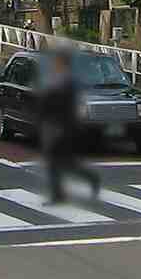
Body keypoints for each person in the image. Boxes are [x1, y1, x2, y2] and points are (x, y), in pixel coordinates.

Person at [37, 49, 101, 205]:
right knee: (58, 162)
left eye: (57, 62)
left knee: (61, 162)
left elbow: (65, 106)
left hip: (63, 128)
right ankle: (60, 193)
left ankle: (89, 179)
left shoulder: (68, 82)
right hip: (54, 126)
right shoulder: (56, 79)